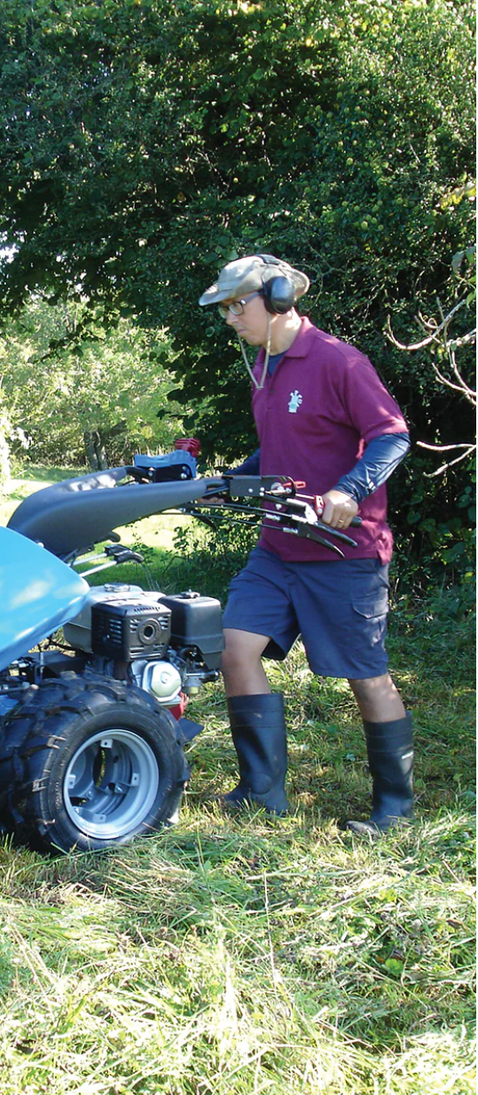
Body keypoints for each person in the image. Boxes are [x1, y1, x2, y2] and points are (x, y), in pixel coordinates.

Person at [198, 254, 413, 834]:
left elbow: (391, 436)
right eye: (224, 309)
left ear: (278, 298)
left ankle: (395, 805)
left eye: (237, 305)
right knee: (234, 649)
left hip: (344, 551)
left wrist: (351, 489)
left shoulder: (339, 362)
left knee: (366, 675)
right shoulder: (265, 371)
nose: (230, 318)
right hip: (278, 548)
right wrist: (231, 481)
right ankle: (261, 792)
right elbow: (279, 450)